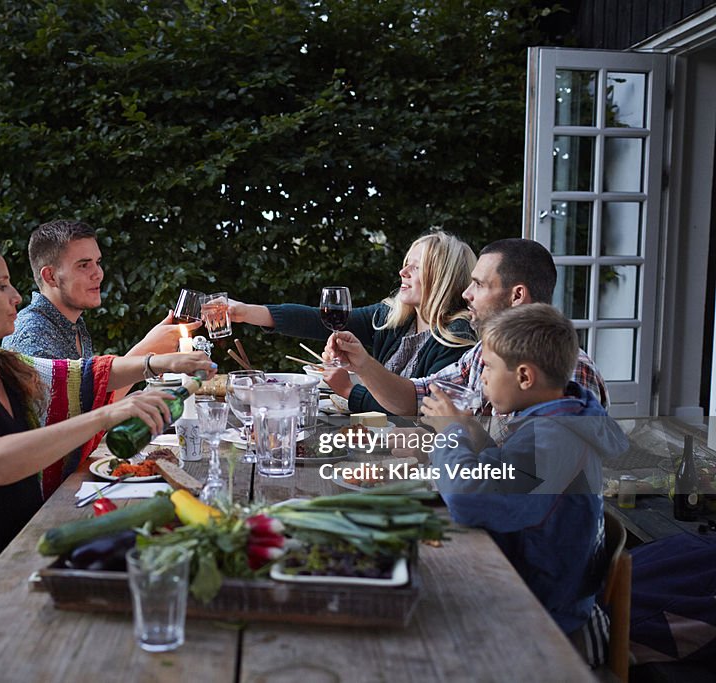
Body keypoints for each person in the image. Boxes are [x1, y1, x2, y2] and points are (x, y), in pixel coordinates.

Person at [0, 236, 215, 568]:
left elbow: (83, 376)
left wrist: (163, 362)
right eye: (2, 286)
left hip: (36, 537)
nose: (17, 296)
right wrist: (107, 415)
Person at [420, 303, 628, 652]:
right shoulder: (554, 420)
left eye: (487, 367)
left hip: (542, 612)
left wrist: (450, 434)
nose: (482, 377)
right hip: (534, 582)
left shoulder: (554, 436)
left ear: (525, 377)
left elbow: (472, 499)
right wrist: (474, 435)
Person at [328, 238, 609, 417]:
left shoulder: (569, 369)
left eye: (479, 285)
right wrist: (362, 363)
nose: (466, 294)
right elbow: (418, 398)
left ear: (517, 296)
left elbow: (547, 479)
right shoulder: (481, 355)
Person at [229, 231, 477, 413]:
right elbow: (318, 319)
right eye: (406, 264)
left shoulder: (456, 337)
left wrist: (349, 390)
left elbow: (416, 410)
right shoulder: (392, 317)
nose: (403, 272)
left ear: (444, 277)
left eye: (417, 267)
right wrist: (246, 312)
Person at [1, 219, 193, 376]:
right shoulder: (31, 334)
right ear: (50, 276)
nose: (98, 274)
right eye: (84, 265)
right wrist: (148, 350)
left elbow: (90, 404)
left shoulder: (74, 325)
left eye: (98, 262)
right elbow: (68, 418)